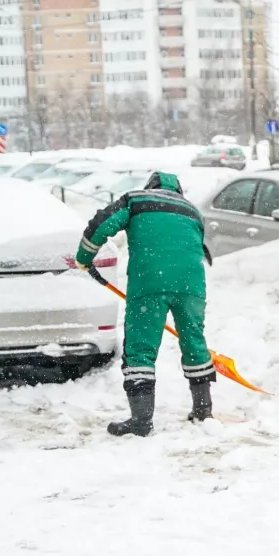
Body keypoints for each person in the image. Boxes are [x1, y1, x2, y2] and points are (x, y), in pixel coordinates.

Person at [75, 171, 216, 437]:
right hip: (191, 284)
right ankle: (203, 410)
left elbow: (100, 224)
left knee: (141, 348)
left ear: (151, 186)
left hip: (150, 280)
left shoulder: (136, 200)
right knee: (194, 340)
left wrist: (84, 256)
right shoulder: (193, 211)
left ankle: (141, 420)